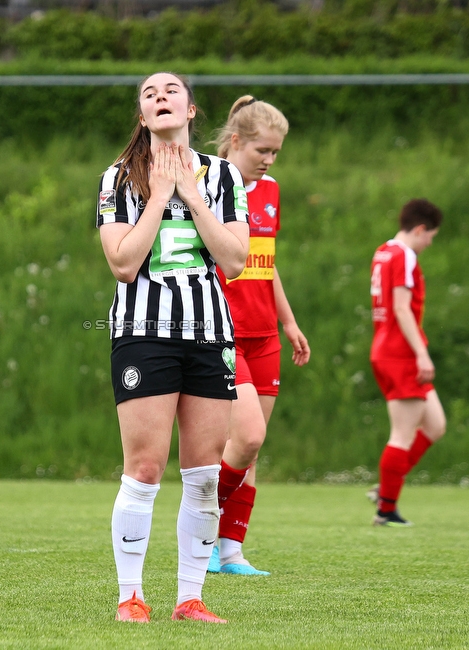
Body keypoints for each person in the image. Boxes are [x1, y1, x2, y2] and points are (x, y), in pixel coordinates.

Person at [97, 72, 249, 623]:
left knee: (205, 472)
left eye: (171, 92)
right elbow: (122, 263)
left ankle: (191, 598)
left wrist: (191, 194)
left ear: (190, 111)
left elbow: (234, 261)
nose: (160, 98)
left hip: (210, 335)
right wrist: (160, 196)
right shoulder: (118, 179)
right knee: (143, 467)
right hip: (144, 332)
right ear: (142, 116)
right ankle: (130, 596)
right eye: (149, 94)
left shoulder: (226, 177)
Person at [207, 96, 311, 576]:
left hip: (264, 333)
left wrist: (287, 321)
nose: (268, 161)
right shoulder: (205, 185)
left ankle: (230, 552)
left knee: (251, 451)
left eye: (275, 153)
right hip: (222, 331)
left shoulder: (270, 190)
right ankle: (199, 530)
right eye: (261, 151)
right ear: (236, 142)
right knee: (243, 439)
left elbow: (264, 266)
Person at [368, 199, 446, 526]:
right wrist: (422, 353)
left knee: (435, 425)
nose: (430, 243)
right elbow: (401, 309)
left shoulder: (384, 250)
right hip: (400, 351)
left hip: (385, 347)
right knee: (402, 434)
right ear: (419, 229)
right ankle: (387, 509)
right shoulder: (405, 255)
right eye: (431, 236)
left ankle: (387, 485)